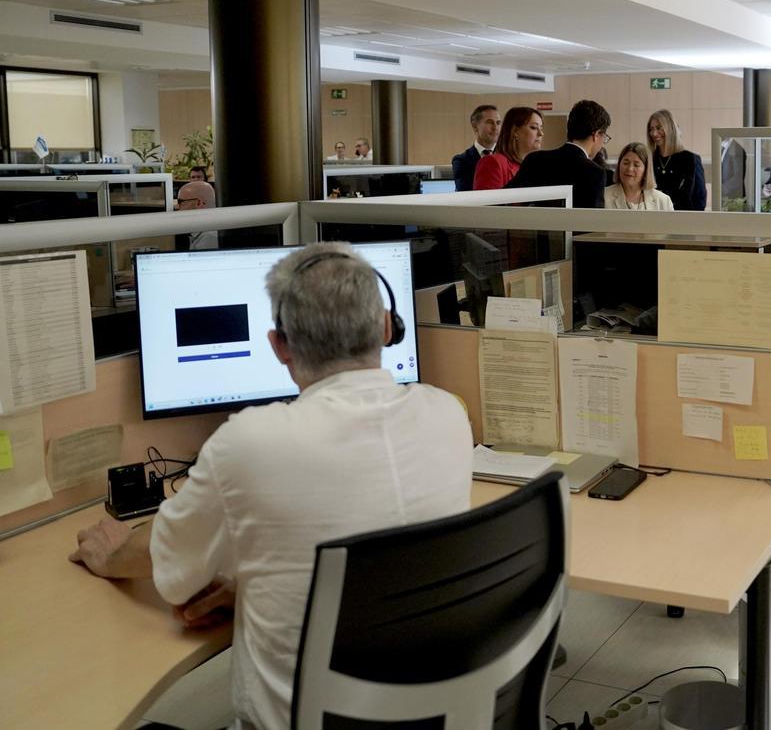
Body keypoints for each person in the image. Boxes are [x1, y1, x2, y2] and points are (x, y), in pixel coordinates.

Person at [67, 243, 473, 730]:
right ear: (388, 327)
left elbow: (172, 572)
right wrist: (265, 585)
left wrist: (111, 554)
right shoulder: (447, 414)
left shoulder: (250, 442)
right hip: (428, 714)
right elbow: (381, 549)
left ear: (279, 345)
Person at [507, 99, 610, 209]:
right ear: (596, 135)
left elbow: (504, 198)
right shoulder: (594, 173)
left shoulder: (534, 160)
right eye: (604, 138)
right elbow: (593, 218)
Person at [647, 110, 706, 211]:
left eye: (658, 128)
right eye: (651, 129)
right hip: (653, 218)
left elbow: (700, 200)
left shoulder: (690, 159)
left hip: (684, 218)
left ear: (670, 128)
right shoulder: (648, 160)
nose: (654, 133)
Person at [472, 106, 542, 191]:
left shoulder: (533, 167)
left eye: (541, 128)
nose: (541, 133)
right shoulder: (492, 162)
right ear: (515, 131)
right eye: (534, 127)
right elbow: (487, 199)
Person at [604, 142, 674, 211]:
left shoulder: (663, 201)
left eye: (636, 165)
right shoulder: (604, 196)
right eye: (626, 163)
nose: (630, 168)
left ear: (646, 170)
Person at [452, 104, 501, 191]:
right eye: (490, 122)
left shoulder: (506, 157)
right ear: (475, 127)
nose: (495, 127)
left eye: (498, 123)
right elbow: (465, 192)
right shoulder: (461, 161)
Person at [175, 180, 218, 250]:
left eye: (180, 202)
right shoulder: (202, 233)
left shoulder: (208, 239)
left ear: (198, 203)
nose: (177, 207)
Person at [720, 138, 747, 207]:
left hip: (734, 198)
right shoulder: (724, 147)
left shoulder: (737, 149)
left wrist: (722, 188)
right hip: (727, 198)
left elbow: (738, 177)